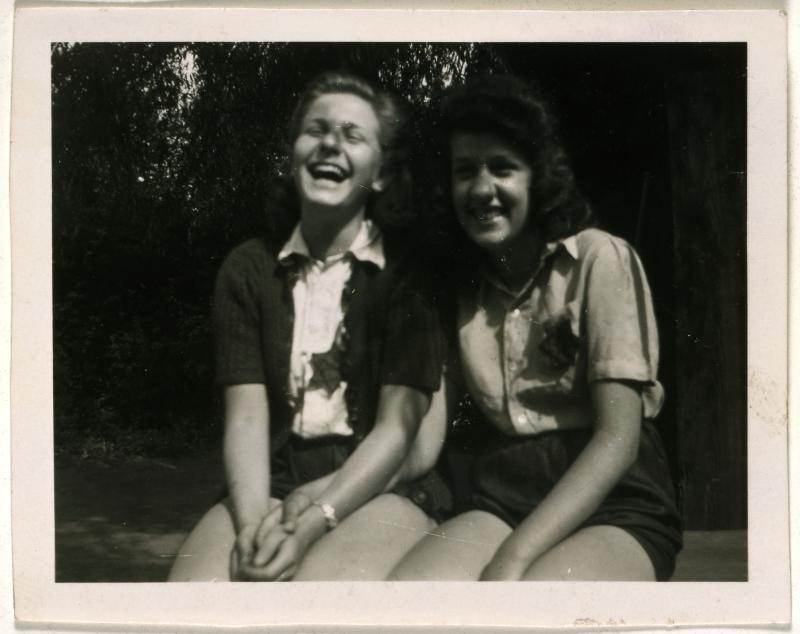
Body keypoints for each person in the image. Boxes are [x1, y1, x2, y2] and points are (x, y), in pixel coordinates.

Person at [388, 74, 682, 582]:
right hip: (504, 496)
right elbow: (420, 446)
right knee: (412, 597)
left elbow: (618, 440)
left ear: (537, 176)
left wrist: (515, 556)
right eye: (465, 172)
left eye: (502, 168)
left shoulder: (598, 259)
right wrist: (326, 497)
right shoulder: (459, 292)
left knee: (534, 601)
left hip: (615, 498)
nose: (482, 189)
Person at [169, 70, 448, 582]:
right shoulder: (248, 269)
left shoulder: (409, 276)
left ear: (381, 172)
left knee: (317, 597)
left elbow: (398, 432)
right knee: (194, 592)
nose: (329, 144)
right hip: (270, 484)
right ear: (292, 154)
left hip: (379, 486)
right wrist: (254, 524)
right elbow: (247, 419)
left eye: (352, 135)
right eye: (315, 130)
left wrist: (318, 518)